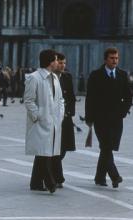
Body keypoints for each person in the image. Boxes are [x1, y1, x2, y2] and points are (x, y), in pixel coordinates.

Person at [85, 47, 132, 188]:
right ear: (105, 59)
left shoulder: (122, 75)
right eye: (112, 58)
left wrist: (123, 112)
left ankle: (99, 177)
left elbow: (128, 96)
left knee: (108, 148)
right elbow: (90, 97)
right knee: (106, 146)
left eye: (116, 58)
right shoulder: (96, 75)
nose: (115, 61)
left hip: (117, 119)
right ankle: (115, 176)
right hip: (100, 118)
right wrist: (89, 117)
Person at [24, 49, 64, 193]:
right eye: (55, 60)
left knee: (45, 151)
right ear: (49, 62)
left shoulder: (55, 78)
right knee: (44, 152)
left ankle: (35, 182)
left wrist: (60, 114)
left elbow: (60, 99)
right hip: (41, 121)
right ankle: (50, 182)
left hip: (53, 121)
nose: (57, 62)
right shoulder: (34, 78)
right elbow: (29, 100)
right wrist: (37, 116)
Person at [52, 53, 76, 187]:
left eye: (64, 63)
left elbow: (71, 96)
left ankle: (54, 174)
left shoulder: (67, 76)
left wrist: (71, 112)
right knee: (55, 148)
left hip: (66, 117)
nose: (62, 65)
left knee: (64, 148)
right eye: (60, 62)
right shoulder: (50, 77)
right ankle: (56, 177)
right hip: (54, 117)